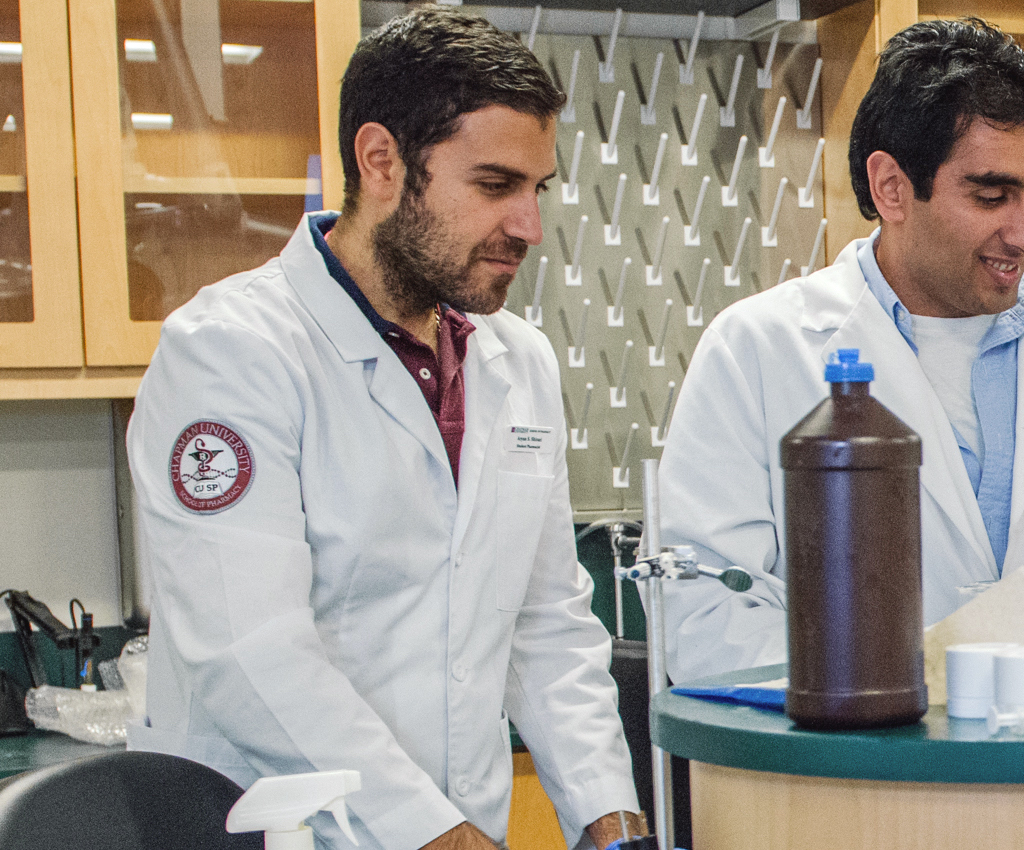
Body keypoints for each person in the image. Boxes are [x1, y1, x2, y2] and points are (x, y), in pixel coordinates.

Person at [124, 9, 645, 850]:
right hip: (285, 834)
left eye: (536, 189)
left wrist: (609, 818)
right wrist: (432, 833)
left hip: (462, 826)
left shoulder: (518, 362)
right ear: (381, 162)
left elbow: (545, 621)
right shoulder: (230, 354)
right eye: (493, 185)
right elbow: (249, 653)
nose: (529, 228)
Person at [656, 18, 1024, 683]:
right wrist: (910, 686)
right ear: (891, 188)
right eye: (992, 195)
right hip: (863, 773)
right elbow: (709, 618)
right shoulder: (757, 353)